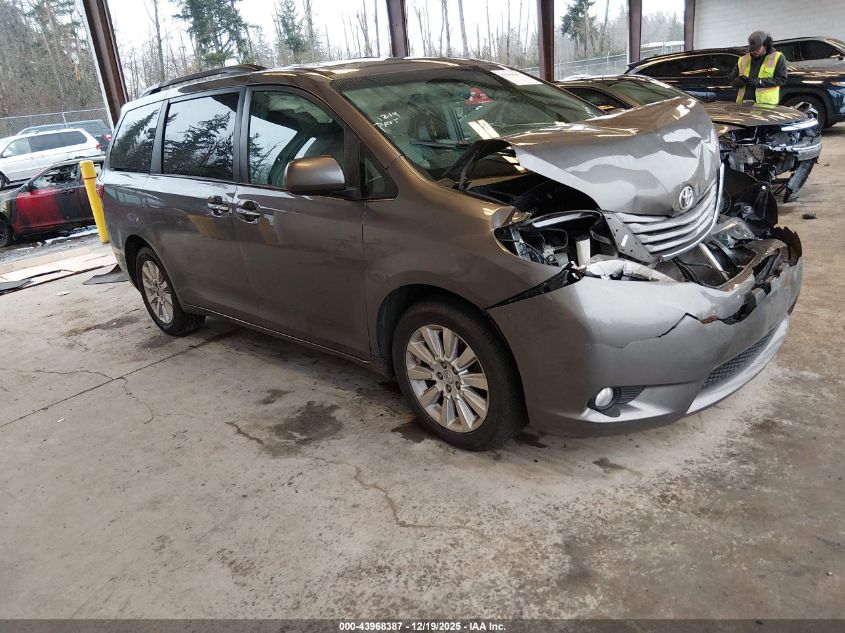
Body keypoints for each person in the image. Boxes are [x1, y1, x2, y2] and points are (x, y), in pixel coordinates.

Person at [729, 30, 787, 105]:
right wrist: (738, 81)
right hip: (744, 104)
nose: (753, 52)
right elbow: (731, 79)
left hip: (765, 105)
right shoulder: (743, 59)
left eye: (757, 49)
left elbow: (781, 80)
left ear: (765, 46)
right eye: (752, 49)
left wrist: (759, 82)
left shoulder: (777, 57)